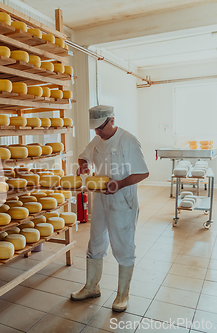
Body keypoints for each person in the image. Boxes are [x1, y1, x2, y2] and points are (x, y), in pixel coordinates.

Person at [70, 105, 149, 312]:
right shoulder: (97, 140)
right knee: (95, 242)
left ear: (111, 121)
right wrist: (84, 165)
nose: (97, 132)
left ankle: (123, 294)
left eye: (100, 128)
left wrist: (119, 184)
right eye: (94, 128)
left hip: (123, 200)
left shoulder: (128, 141)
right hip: (101, 200)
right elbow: (83, 156)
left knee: (122, 245)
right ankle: (91, 287)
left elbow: (143, 172)